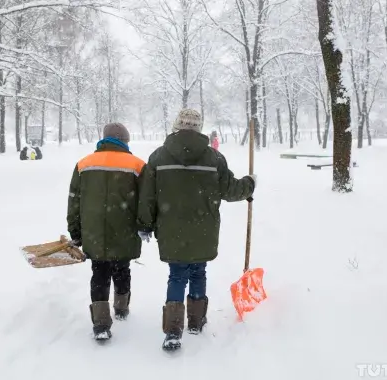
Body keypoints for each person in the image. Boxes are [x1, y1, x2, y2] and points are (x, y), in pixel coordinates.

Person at [137, 109, 256, 351]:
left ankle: (172, 330)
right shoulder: (214, 158)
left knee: (177, 275)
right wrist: (250, 183)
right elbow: (231, 190)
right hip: (204, 229)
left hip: (171, 230)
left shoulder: (158, 157)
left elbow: (147, 196)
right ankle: (196, 321)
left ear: (176, 125)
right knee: (198, 272)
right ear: (199, 127)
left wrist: (145, 224)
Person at [67, 123, 146, 341]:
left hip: (95, 232)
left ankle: (101, 324)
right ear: (124, 141)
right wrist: (145, 225)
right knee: (122, 269)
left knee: (99, 273)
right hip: (125, 230)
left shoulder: (84, 164)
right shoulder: (138, 165)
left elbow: (74, 200)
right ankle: (121, 308)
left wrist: (75, 231)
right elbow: (146, 201)